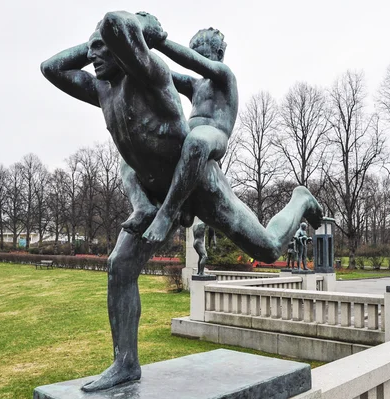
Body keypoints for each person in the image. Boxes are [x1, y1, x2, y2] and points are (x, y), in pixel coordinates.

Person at [40, 11, 322, 391]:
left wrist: (148, 31)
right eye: (91, 51)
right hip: (156, 191)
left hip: (197, 182)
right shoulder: (103, 90)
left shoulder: (151, 74)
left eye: (100, 50)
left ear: (127, 51)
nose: (92, 58)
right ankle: (125, 363)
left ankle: (300, 201)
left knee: (269, 248)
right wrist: (94, 44)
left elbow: (115, 24)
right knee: (120, 265)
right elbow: (51, 67)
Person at [140, 27, 238, 246]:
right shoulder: (196, 85)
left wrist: (160, 41)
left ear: (219, 55)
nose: (198, 60)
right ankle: (145, 205)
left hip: (214, 136)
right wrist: (139, 49)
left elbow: (193, 62)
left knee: (197, 141)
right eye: (196, 54)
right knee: (140, 148)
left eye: (203, 55)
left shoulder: (224, 76)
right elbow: (162, 73)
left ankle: (167, 213)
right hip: (188, 138)